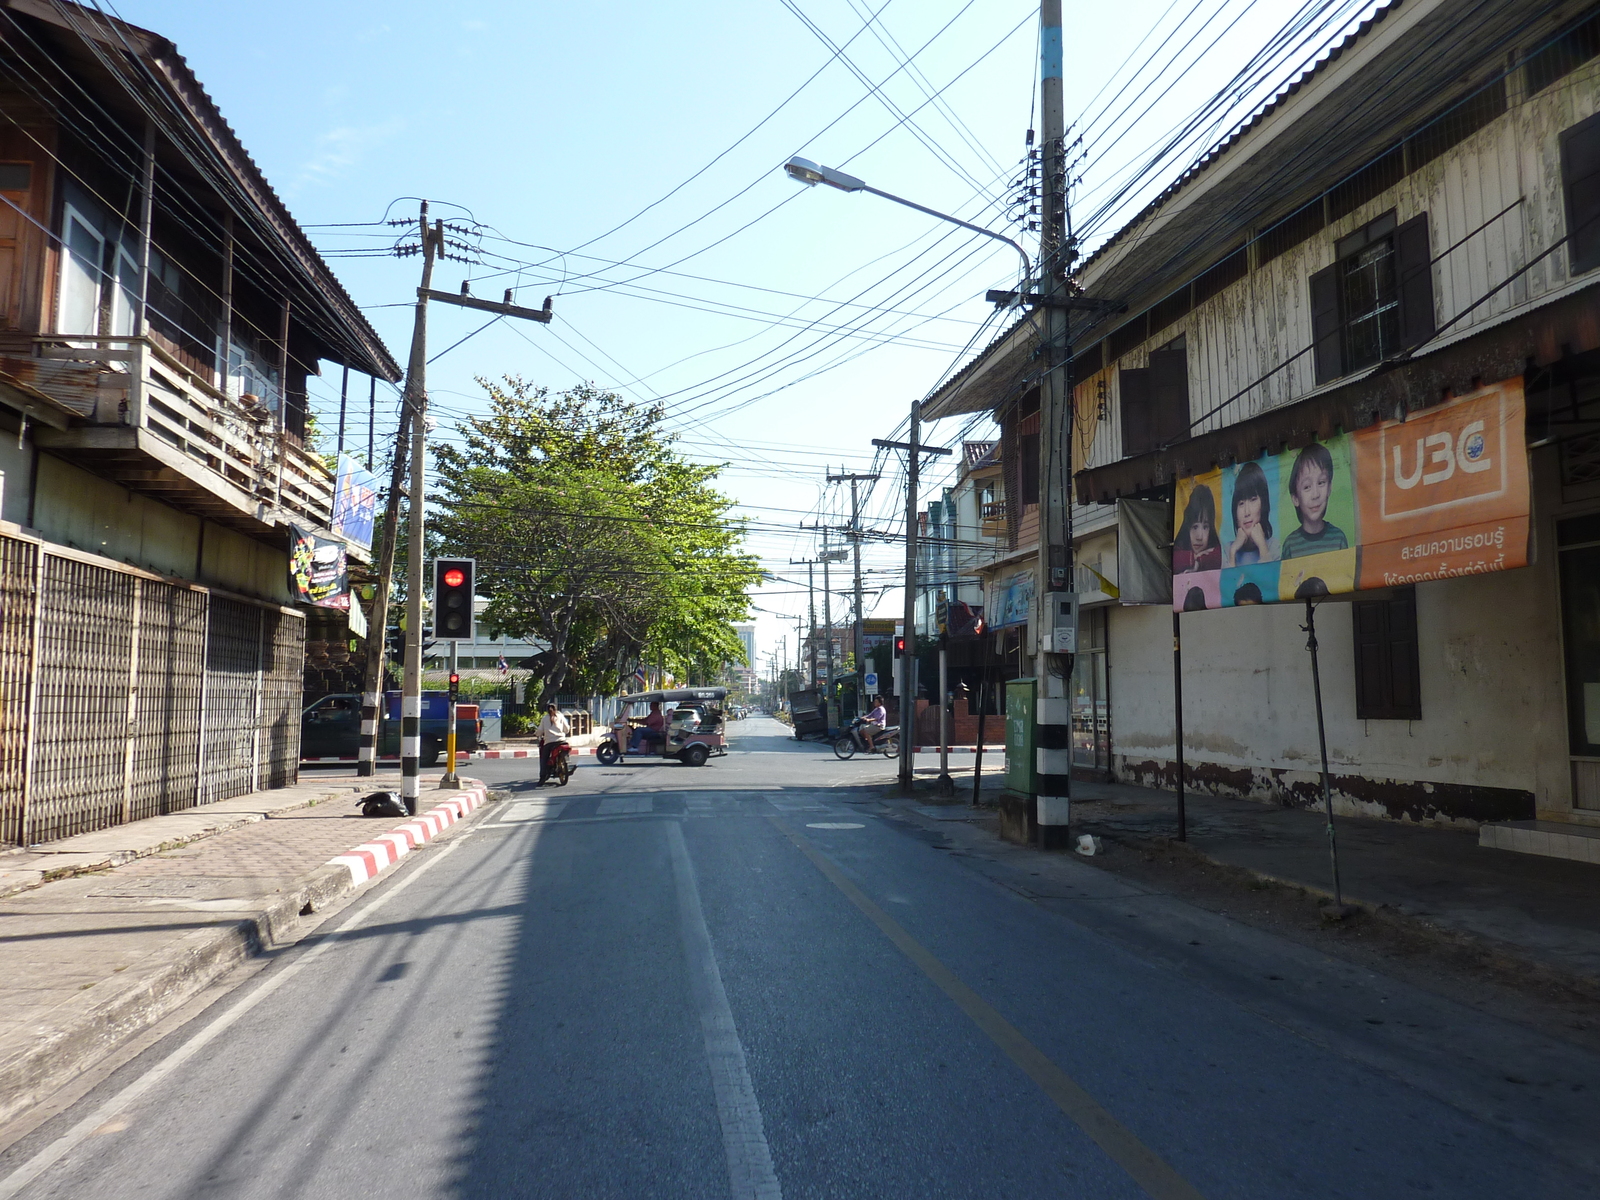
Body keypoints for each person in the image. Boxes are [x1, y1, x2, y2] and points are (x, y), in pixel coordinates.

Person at [1281, 443, 1349, 558]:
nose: (1315, 494)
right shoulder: (1290, 544)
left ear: (1329, 488)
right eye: (1307, 487)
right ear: (1295, 498)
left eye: (1321, 482)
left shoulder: (1338, 538)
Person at [1224, 461, 1280, 566]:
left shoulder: (1273, 546)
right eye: (1241, 503)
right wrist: (1233, 553)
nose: (1246, 512)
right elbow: (1228, 582)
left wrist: (1262, 546)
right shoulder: (1228, 550)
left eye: (1253, 500)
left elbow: (1272, 580)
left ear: (1263, 504)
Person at [1173, 486, 1222, 573]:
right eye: (1195, 527)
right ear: (1187, 527)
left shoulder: (1216, 548)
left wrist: (1199, 560)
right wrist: (1193, 558)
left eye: (1205, 527)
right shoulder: (1181, 545)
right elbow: (1174, 558)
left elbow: (1222, 555)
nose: (1199, 537)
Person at [536, 702, 570, 785]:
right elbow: (567, 729)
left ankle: (542, 778)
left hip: (549, 742)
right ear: (556, 709)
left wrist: (537, 734)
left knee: (544, 759)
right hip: (562, 740)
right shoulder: (561, 716)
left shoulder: (544, 718)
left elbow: (540, 731)